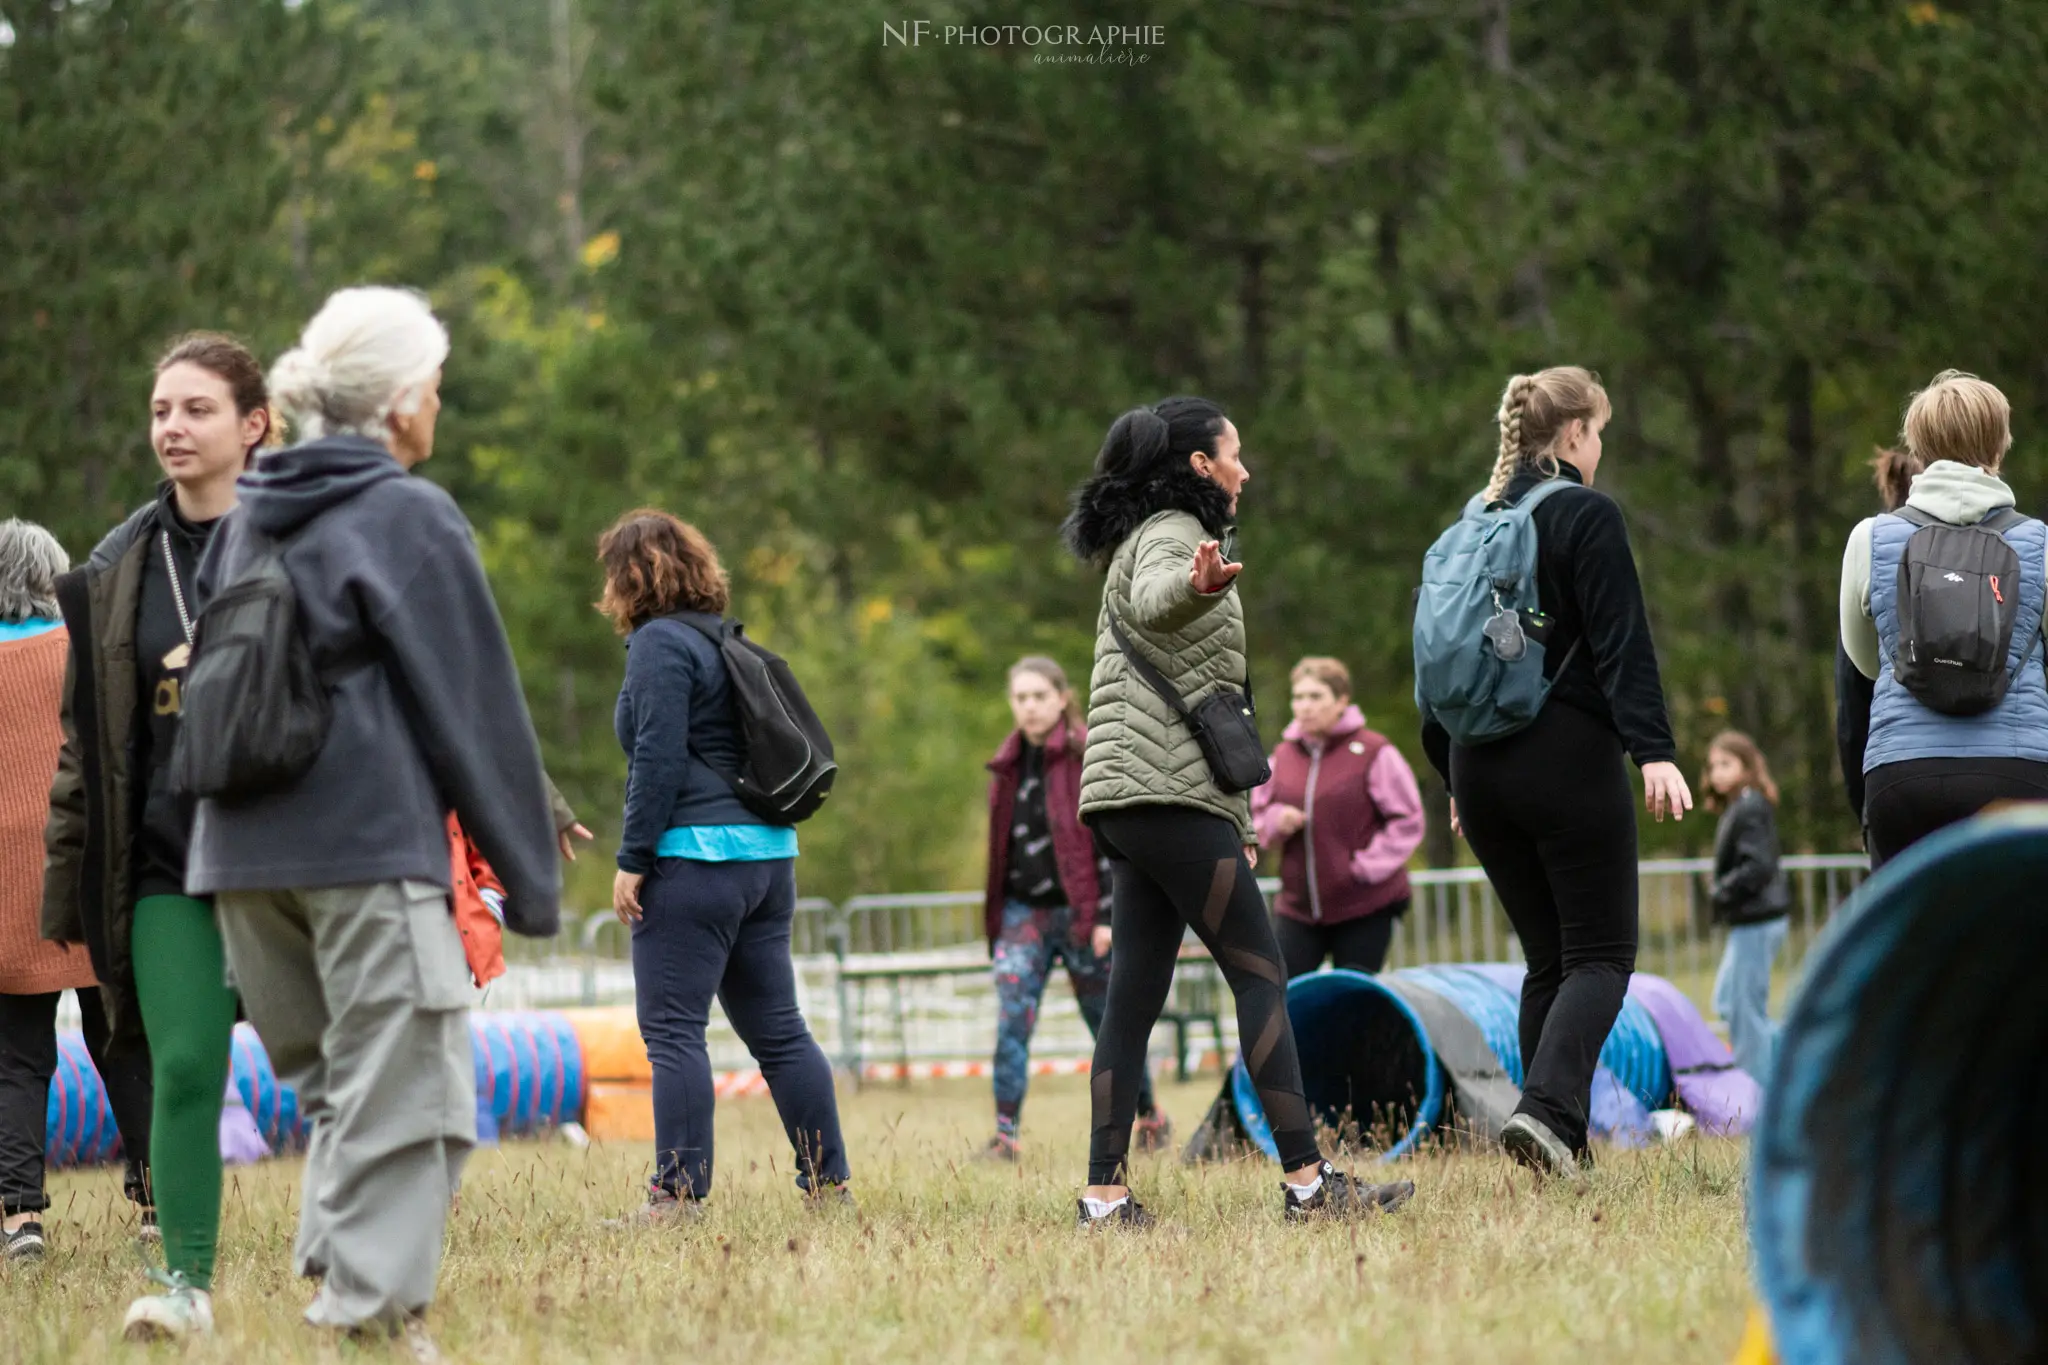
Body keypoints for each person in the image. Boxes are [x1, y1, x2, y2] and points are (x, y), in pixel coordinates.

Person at [185, 287, 560, 1349]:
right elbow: (476, 708)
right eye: (436, 390)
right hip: (361, 847)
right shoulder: (408, 514)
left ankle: (344, 1268)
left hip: (240, 860)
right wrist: (529, 881)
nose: (437, 409)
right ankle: (368, 1321)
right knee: (418, 1092)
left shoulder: (251, 509)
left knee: (343, 1091)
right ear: (400, 405)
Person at [1062, 396, 1415, 1226]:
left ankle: (1105, 1198)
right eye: (1235, 454)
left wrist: (1243, 823)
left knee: (1132, 997)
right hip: (1166, 797)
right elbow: (1158, 602)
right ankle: (1309, 1184)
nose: (1244, 470)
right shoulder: (1175, 538)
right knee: (1261, 973)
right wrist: (1195, 586)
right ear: (1199, 466)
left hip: (1134, 797)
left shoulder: (1148, 532)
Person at [42, 334, 277, 1331]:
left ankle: (369, 1269)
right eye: (160, 412)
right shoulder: (115, 567)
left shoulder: (308, 539)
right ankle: (187, 1286)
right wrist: (68, 872)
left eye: (197, 410)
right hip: (168, 859)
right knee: (182, 1065)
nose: (171, 428)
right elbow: (84, 741)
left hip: (298, 853)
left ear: (254, 425)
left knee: (343, 1064)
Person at [1419, 368, 1692, 1179]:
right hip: (1562, 756)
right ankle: (1544, 1111)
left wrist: (1451, 781)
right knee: (1602, 954)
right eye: (1599, 431)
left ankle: (1557, 1150)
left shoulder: (1465, 526)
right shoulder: (1584, 513)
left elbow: (1431, 668)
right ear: (1572, 433)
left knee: (1549, 959)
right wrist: (1655, 751)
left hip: (1477, 764)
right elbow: (1621, 643)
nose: (1600, 447)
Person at [601, 509, 848, 1218]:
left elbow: (658, 755)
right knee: (780, 1031)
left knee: (675, 1031)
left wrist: (632, 857)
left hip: (694, 859)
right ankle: (829, 1187)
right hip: (768, 858)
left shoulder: (657, 644)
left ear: (629, 577)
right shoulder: (725, 640)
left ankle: (677, 1196)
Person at [2, 520, 153, 1263]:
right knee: (123, 1035)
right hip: (87, 866)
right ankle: (159, 1195)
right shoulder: (83, 652)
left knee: (16, 1057)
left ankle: (19, 1218)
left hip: (5, 886)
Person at [1839, 370, 2048, 867]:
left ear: (1920, 447)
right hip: (2016, 774)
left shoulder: (1870, 538)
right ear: (1999, 446)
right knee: (2016, 939)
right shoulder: (2039, 543)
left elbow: (1865, 662)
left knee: (1914, 940)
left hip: (1903, 776)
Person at [979, 656, 1168, 1161]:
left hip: (1085, 914)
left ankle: (1149, 1117)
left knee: (1108, 1023)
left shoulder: (1090, 753)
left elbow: (1111, 840)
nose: (1030, 707)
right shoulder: (1006, 765)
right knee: (1011, 1022)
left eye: (1040, 695)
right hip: (1025, 916)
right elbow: (999, 852)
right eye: (1020, 697)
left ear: (1062, 698)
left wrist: (1108, 915)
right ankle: (1005, 1136)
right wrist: (997, 923)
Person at [1252, 657, 1425, 978]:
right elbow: (1256, 817)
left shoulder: (1373, 751)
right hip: (1298, 909)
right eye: (1299, 697)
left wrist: (1363, 867)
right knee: (1278, 993)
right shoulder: (1283, 756)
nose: (1305, 706)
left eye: (1316, 697)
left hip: (1364, 905)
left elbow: (1407, 819)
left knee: (1353, 1001)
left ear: (1341, 701)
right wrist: (1277, 820)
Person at [1835, 448, 1923, 830]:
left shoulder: (1871, 551)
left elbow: (1853, 706)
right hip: (1998, 772)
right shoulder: (2004, 547)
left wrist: (1864, 808)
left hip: (1896, 773)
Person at [1702, 731, 1790, 1082]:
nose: (1717, 773)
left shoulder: (1751, 806)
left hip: (1758, 920)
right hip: (1750, 921)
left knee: (1745, 1011)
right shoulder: (1739, 805)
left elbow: (1758, 866)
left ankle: (1758, 1092)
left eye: (1726, 764)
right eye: (1713, 767)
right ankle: (1782, 1064)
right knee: (1727, 1001)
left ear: (1747, 766)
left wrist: (1721, 890)